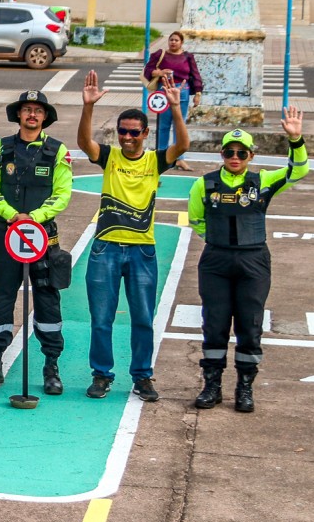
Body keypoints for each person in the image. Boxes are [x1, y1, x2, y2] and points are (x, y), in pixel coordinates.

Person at [79, 71, 189, 402]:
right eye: (122, 132)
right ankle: (102, 375)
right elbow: (85, 143)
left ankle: (142, 376)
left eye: (133, 133)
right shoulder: (109, 157)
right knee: (101, 318)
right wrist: (88, 107)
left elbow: (182, 145)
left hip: (142, 251)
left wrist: (176, 109)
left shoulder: (155, 161)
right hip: (105, 248)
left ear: (145, 133)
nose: (127, 137)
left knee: (142, 318)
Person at [188, 110, 306, 413]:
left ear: (251, 155)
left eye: (241, 152)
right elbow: (195, 219)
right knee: (214, 325)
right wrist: (218, 238)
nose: (235, 156)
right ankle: (211, 386)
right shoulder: (205, 184)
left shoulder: (263, 181)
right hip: (216, 261)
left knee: (249, 325)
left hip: (253, 261)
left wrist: (295, 139)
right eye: (229, 151)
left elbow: (299, 171)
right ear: (222, 153)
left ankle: (244, 388)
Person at [0, 90, 73, 393]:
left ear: (45, 117)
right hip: (7, 234)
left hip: (42, 237)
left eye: (37, 111)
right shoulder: (2, 148)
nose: (32, 115)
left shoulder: (57, 151)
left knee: (47, 299)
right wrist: (13, 215)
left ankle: (51, 366)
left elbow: (63, 193)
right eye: (27, 109)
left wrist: (35, 217)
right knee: (2, 297)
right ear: (18, 114)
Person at [143, 31, 203, 171]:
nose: (173, 42)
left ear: (181, 42)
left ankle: (179, 159)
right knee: (163, 125)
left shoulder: (188, 57)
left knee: (179, 125)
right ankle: (162, 157)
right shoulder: (160, 54)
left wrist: (198, 93)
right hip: (163, 91)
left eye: (176, 40)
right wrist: (160, 72)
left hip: (182, 91)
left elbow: (195, 74)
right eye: (171, 40)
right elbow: (148, 70)